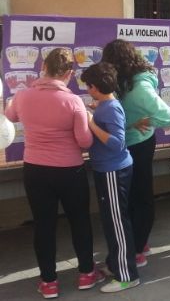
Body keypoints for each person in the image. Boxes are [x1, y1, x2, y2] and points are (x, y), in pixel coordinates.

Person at [5, 48, 103, 299]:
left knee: (43, 225)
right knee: (79, 221)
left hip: (35, 170)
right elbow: (84, 142)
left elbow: (10, 116)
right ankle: (86, 274)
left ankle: (49, 282)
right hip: (69, 170)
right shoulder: (73, 101)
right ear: (69, 73)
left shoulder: (23, 95)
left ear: (43, 67)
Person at [101, 40, 170, 266]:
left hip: (140, 146)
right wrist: (133, 124)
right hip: (129, 142)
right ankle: (137, 242)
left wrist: (146, 122)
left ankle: (137, 248)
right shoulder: (123, 83)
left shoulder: (139, 87)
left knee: (140, 195)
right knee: (132, 195)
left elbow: (169, 118)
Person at [81, 63, 140, 293]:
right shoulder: (107, 104)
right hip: (107, 170)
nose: (87, 90)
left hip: (113, 171)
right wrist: (96, 112)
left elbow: (117, 143)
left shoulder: (112, 107)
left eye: (88, 86)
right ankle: (116, 264)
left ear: (95, 87)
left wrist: (91, 122)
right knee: (111, 221)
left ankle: (127, 274)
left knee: (117, 223)